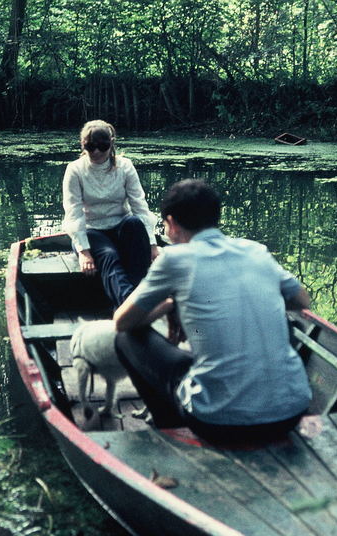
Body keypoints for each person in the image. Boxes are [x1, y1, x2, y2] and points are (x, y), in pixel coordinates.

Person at [113, 179, 312, 444]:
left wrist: (171, 303)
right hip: (291, 413)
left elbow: (123, 321)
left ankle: (169, 425)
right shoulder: (256, 251)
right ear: (215, 217)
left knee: (125, 338)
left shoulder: (174, 259)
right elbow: (301, 301)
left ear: (171, 223)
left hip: (220, 423)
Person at [62, 120, 159, 307]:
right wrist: (83, 252)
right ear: (83, 146)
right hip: (91, 230)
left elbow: (139, 205)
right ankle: (130, 307)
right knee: (109, 255)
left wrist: (152, 245)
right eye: (91, 147)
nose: (97, 152)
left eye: (102, 146)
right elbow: (73, 213)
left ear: (111, 143)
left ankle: (137, 295)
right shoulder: (74, 170)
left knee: (135, 223)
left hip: (121, 225)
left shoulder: (125, 166)